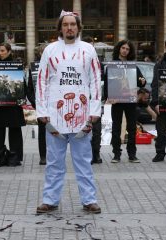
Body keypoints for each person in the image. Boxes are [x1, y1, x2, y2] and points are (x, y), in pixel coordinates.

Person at [35, 10, 102, 214]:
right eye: (66, 24)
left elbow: (96, 82)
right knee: (54, 162)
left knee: (83, 161)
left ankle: (89, 199)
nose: (69, 28)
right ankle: (50, 199)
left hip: (81, 116)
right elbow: (41, 82)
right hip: (55, 116)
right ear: (60, 27)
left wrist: (95, 112)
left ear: (78, 27)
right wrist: (42, 112)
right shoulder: (50, 50)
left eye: (73, 24)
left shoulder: (89, 50)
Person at [106, 40, 146, 163]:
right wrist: (107, 97)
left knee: (132, 128)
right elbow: (107, 82)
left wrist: (142, 80)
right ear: (119, 49)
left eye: (127, 49)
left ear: (130, 51)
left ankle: (132, 154)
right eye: (123, 48)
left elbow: (141, 81)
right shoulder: (112, 65)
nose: (125, 50)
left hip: (130, 100)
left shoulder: (133, 66)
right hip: (117, 101)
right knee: (116, 127)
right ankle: (116, 154)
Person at [0, 42, 25, 166]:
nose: (0, 53)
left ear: (9, 51)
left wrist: (22, 98)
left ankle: (16, 157)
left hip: (14, 105)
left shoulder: (17, 65)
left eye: (3, 50)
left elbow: (22, 85)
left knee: (15, 131)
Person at [82, 36, 102, 164]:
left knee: (97, 130)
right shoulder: (80, 62)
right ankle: (87, 154)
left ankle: (96, 153)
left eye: (92, 45)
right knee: (85, 130)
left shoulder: (98, 62)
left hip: (95, 101)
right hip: (84, 101)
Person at [26, 44, 47, 165]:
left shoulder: (57, 64)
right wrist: (34, 101)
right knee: (42, 131)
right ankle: (43, 156)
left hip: (54, 104)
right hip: (40, 105)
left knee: (56, 132)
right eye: (42, 52)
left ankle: (55, 155)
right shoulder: (34, 67)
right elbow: (29, 88)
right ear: (39, 53)